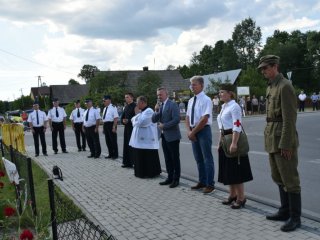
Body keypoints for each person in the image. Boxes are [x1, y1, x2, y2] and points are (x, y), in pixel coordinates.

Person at [258, 55, 301, 232]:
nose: (263, 71)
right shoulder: (271, 86)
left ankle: (295, 217)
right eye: (262, 69)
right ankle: (284, 211)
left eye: (265, 68)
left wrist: (286, 144)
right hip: (272, 137)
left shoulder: (285, 86)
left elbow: (290, 119)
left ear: (275, 66)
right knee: (278, 177)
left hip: (283, 140)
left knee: (290, 179)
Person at [217, 84, 253, 209]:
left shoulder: (234, 106)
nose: (220, 94)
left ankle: (241, 197)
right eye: (220, 92)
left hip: (232, 138)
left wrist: (234, 143)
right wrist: (219, 143)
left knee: (236, 171)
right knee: (228, 171)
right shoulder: (223, 107)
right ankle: (232, 195)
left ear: (230, 93)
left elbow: (237, 125)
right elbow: (221, 128)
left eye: (222, 92)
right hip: (224, 140)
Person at [185, 76, 215, 194]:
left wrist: (193, 132)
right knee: (198, 158)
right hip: (193, 131)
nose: (192, 87)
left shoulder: (206, 99)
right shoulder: (191, 100)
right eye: (191, 85)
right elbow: (187, 117)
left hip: (203, 131)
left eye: (194, 84)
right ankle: (202, 181)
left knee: (207, 158)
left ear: (202, 85)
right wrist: (189, 131)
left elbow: (204, 119)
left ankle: (210, 184)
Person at [152, 87, 181, 188]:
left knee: (174, 158)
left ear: (166, 94)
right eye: (158, 95)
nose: (159, 96)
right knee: (167, 158)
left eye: (161, 94)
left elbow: (177, 119)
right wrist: (156, 110)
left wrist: (165, 125)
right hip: (164, 136)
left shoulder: (172, 104)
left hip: (173, 136)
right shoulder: (160, 106)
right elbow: (153, 120)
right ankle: (169, 177)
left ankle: (176, 179)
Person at [129, 96, 161, 178]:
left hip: (147, 140)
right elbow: (132, 121)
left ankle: (150, 173)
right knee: (140, 157)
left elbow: (142, 123)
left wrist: (136, 118)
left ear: (142, 102)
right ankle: (141, 172)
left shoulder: (149, 111)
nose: (136, 104)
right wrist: (136, 119)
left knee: (147, 157)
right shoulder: (142, 112)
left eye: (137, 102)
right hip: (140, 140)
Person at [121, 93, 137, 168]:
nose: (126, 98)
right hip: (126, 128)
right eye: (125, 97)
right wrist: (123, 120)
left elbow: (137, 117)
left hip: (132, 128)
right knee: (126, 145)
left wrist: (129, 120)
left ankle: (133, 162)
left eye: (127, 97)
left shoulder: (135, 106)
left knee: (132, 145)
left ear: (132, 98)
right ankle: (127, 162)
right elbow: (122, 116)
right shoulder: (126, 106)